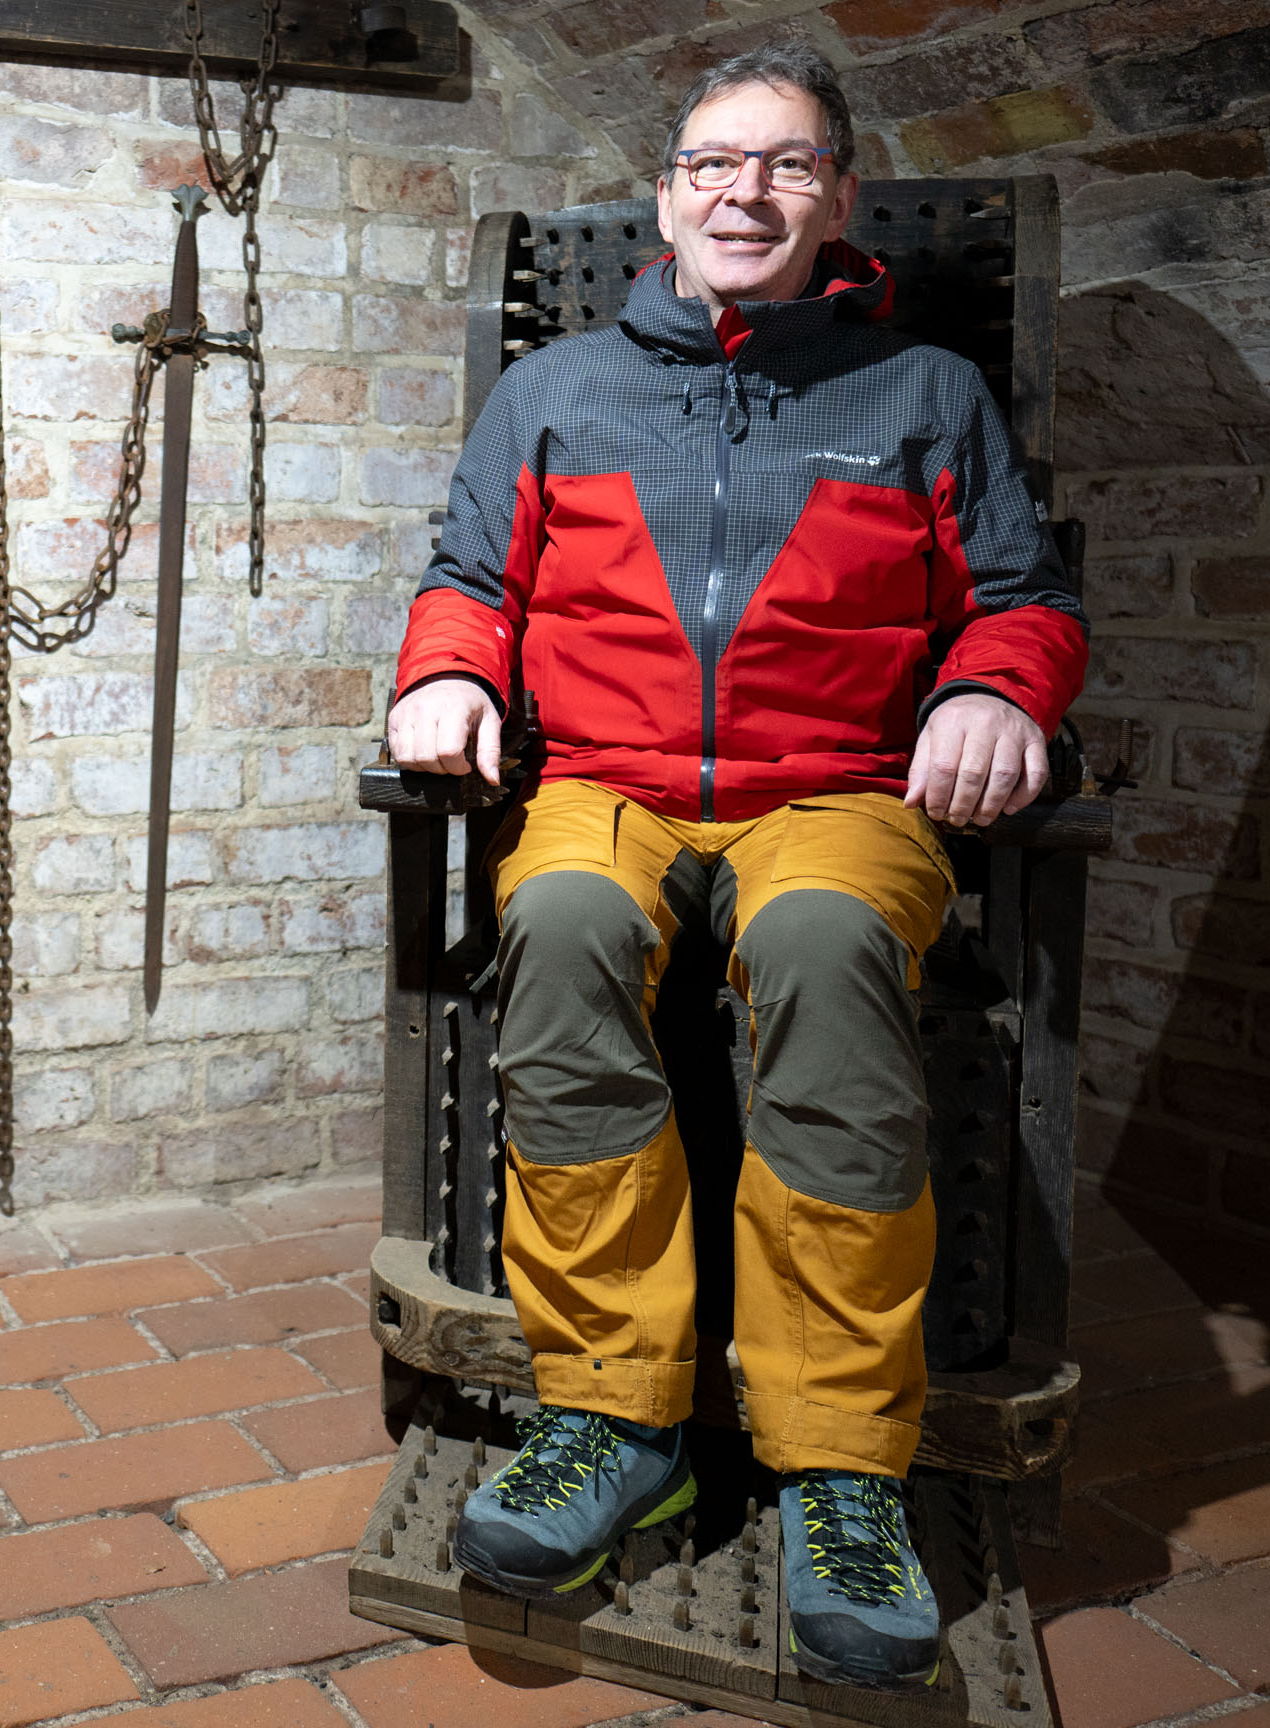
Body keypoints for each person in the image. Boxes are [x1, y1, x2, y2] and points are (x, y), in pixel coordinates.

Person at [383, 40, 1086, 1691]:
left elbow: (1025, 599)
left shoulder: (923, 394)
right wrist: (447, 668)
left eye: (783, 164)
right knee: (550, 924)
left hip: (831, 789)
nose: (744, 192)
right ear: (668, 200)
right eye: (714, 164)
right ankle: (618, 1422)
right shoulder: (555, 391)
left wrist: (996, 689)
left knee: (832, 951)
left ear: (837, 195)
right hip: (605, 784)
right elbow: (468, 568)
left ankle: (841, 1461)